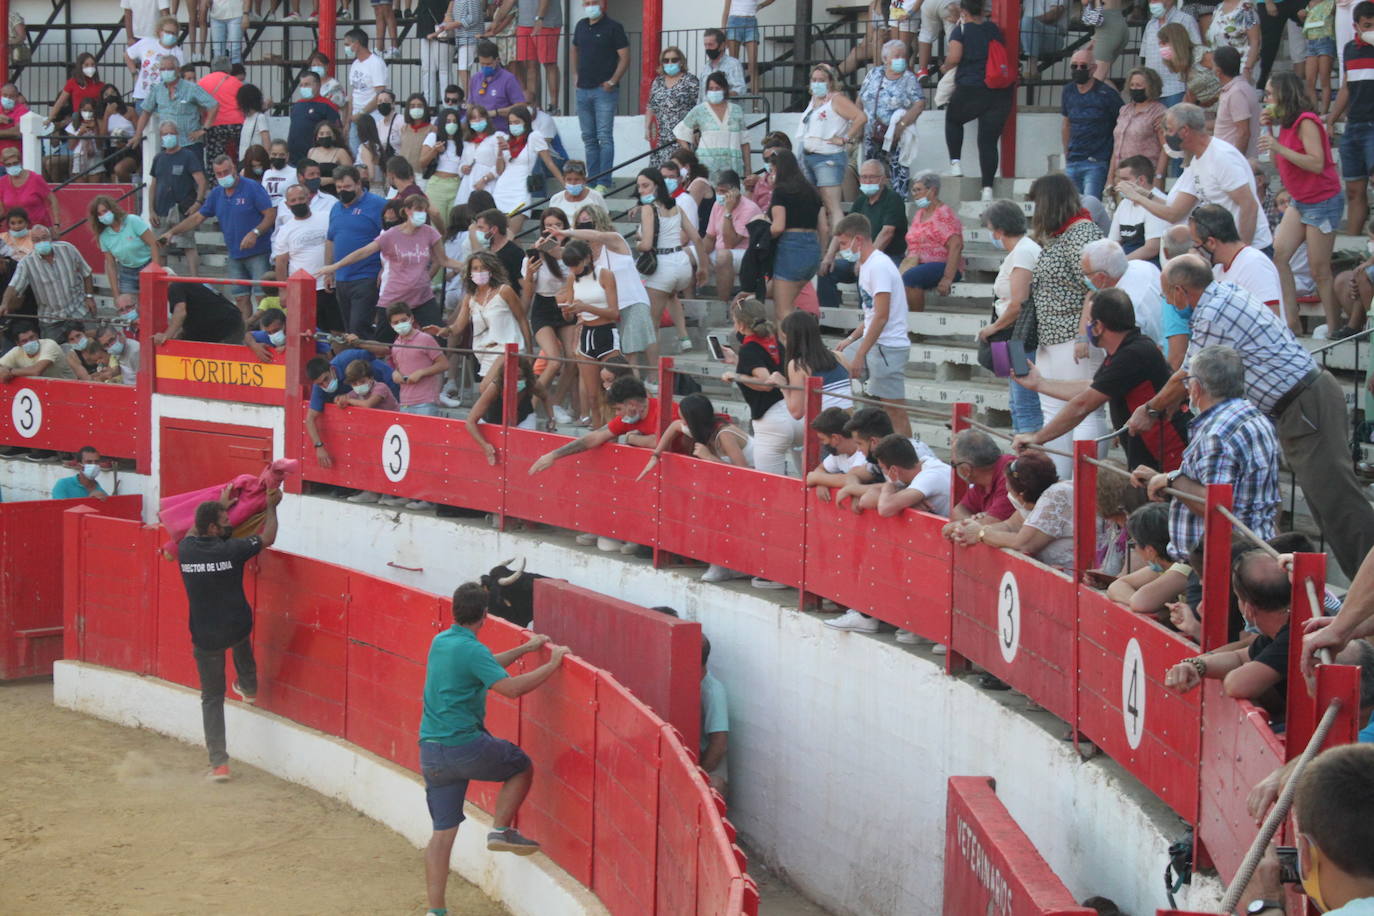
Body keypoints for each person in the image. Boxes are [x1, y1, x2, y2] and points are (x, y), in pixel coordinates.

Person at [419, 582, 568, 916]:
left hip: (431, 753)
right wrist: (552, 664)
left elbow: (483, 664)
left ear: (455, 610)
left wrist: (526, 650)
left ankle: (436, 911)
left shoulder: (440, 641)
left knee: (441, 836)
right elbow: (511, 689)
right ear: (485, 615)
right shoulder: (472, 651)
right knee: (520, 766)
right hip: (464, 746)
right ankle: (500, 829)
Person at [1132, 342, 1281, 565]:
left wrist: (1170, 480)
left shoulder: (1217, 433)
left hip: (1219, 559)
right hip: (1249, 548)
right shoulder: (1256, 418)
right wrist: (1162, 480)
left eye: (1187, 382)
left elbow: (1214, 502)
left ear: (1197, 388)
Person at [1013, 286, 1187, 470]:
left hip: (1167, 454)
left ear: (1098, 326)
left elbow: (1083, 404)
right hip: (1149, 453)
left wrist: (1038, 437)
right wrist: (1040, 384)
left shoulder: (1133, 354)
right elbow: (1094, 388)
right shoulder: (1125, 350)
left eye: (1088, 321)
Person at [177, 489, 279, 782]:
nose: (229, 523)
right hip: (235, 626)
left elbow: (195, 529)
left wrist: (220, 505)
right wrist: (272, 508)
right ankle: (248, 686)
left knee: (212, 698)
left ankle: (219, 765)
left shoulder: (186, 550)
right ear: (213, 528)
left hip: (205, 635)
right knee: (240, 637)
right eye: (224, 520)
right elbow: (268, 537)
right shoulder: (231, 550)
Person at [1114, 103, 1273, 253]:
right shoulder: (1197, 160)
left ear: (1184, 131)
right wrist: (1142, 193)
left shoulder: (1221, 157)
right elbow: (1175, 211)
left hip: (1250, 247)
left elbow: (1249, 205)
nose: (1166, 136)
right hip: (1223, 248)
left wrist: (1241, 251)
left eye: (1169, 130)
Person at [1027, 173, 1104, 477]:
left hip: (1074, 335)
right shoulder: (1060, 235)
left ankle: (1084, 482)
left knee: (1083, 408)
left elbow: (1098, 284)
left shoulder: (1083, 233)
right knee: (1054, 411)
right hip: (1052, 336)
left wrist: (1084, 332)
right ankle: (1061, 483)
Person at [1261, 72, 1344, 336]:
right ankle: (1291, 321)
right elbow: (1278, 163)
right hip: (1300, 199)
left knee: (1319, 269)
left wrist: (1279, 145)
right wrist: (1271, 131)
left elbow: (1316, 162)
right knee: (1279, 255)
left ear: (1284, 94)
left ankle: (1334, 327)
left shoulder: (1306, 121)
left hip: (1322, 199)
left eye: (1270, 94)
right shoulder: (1285, 124)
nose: (1266, 99)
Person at [1162, 550, 1291, 706]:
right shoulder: (1277, 631)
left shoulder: (1293, 634)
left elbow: (1237, 685)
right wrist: (1195, 665)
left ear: (1248, 609)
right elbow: (1239, 657)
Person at [320, 194, 464, 332]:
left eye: (424, 210)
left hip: (422, 296)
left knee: (437, 336)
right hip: (395, 297)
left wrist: (466, 266)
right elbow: (364, 252)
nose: (422, 213)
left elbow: (443, 260)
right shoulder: (391, 235)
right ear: (407, 211)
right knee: (384, 342)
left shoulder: (430, 233)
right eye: (418, 210)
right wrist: (335, 266)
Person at [163, 156, 275, 318]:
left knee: (261, 297)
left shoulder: (252, 187)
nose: (223, 176)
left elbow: (270, 215)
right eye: (219, 174)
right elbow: (197, 218)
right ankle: (245, 335)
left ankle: (264, 334)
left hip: (258, 252)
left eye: (226, 172)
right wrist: (172, 232)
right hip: (235, 254)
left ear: (234, 169)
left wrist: (255, 233)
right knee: (241, 298)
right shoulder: (216, 194)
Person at [832, 213, 911, 438]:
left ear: (858, 240)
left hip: (888, 346)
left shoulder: (878, 266)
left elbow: (881, 316)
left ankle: (906, 456)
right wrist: (850, 340)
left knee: (895, 411)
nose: (842, 249)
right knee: (833, 362)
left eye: (845, 243)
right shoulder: (867, 265)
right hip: (876, 342)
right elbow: (871, 314)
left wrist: (860, 353)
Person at [978, 199, 1043, 433]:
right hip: (1013, 335)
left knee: (1024, 402)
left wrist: (992, 328)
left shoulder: (1024, 252)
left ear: (1000, 230)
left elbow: (1018, 304)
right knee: (1016, 400)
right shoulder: (1020, 251)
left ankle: (1029, 454)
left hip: (1019, 336)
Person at [948, 451, 1076, 569]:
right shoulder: (1040, 495)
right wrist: (962, 529)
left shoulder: (1057, 495)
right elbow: (1009, 525)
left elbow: (1023, 543)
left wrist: (980, 533)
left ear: (1022, 494)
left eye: (1010, 491)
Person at [529, 374, 677, 474]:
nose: (618, 414)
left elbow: (658, 441)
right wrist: (553, 455)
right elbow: (594, 438)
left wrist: (632, 439)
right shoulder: (631, 415)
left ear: (632, 404)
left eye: (619, 409)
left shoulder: (666, 411)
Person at [941, 0, 1014, 199]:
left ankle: (955, 164)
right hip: (999, 91)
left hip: (971, 87)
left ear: (963, 11)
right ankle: (987, 189)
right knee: (988, 141)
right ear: (983, 10)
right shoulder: (994, 29)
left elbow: (955, 57)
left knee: (953, 120)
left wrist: (945, 66)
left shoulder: (961, 31)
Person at [720, 298, 800, 476]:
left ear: (740, 325)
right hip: (795, 413)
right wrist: (737, 362)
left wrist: (737, 376)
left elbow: (766, 383)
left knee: (768, 482)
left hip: (772, 420)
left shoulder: (749, 348)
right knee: (807, 480)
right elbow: (765, 369)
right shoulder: (775, 342)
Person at [636, 168, 707, 352]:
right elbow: (698, 239)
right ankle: (684, 337)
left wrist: (637, 245)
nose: (641, 190)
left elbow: (646, 244)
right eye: (639, 186)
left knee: (653, 323)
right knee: (671, 295)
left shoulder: (648, 209)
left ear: (656, 186)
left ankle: (653, 370)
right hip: (682, 265)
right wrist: (703, 267)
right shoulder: (677, 207)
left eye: (645, 185)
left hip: (662, 266)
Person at [818, 159, 905, 310]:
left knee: (867, 271)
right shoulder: (861, 201)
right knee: (826, 270)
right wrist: (829, 255)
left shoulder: (893, 199)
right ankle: (830, 321)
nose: (867, 181)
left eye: (872, 177)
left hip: (887, 257)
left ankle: (863, 321)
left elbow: (887, 233)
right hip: (859, 257)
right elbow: (844, 230)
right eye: (864, 177)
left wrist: (867, 259)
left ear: (883, 179)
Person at [304, 349, 398, 479]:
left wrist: (358, 343)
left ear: (332, 369)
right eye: (320, 384)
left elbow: (381, 350)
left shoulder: (349, 357)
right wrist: (319, 446)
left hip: (390, 384)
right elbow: (309, 419)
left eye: (326, 379)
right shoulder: (320, 389)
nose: (325, 385)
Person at [796, 63, 865, 231]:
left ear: (830, 82)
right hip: (809, 156)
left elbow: (860, 117)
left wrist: (845, 138)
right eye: (814, 80)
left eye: (822, 80)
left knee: (832, 205)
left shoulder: (837, 99)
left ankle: (838, 246)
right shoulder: (814, 101)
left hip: (827, 157)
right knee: (816, 206)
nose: (817, 83)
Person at [569, 2, 630, 192]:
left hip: (604, 91)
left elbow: (625, 56)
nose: (590, 6)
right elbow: (574, 49)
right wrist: (575, 75)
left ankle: (604, 181)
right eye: (586, 2)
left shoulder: (614, 27)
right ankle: (593, 179)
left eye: (593, 2)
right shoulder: (580, 25)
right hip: (583, 89)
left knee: (604, 136)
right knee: (589, 137)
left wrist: (613, 81)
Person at [1190, 203, 1284, 323]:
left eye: (1195, 243)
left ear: (1211, 242)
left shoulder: (1254, 263)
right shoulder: (1217, 270)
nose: (1193, 250)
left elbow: (1271, 320)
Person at [857, 40, 924, 199]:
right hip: (872, 132)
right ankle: (872, 201)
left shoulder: (909, 78)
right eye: (896, 56)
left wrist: (902, 124)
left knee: (898, 170)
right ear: (886, 58)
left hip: (897, 134)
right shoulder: (874, 73)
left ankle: (899, 204)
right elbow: (860, 98)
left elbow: (919, 103)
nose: (901, 59)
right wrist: (858, 124)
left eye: (903, 56)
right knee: (871, 170)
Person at [326, 166, 386, 337]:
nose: (342, 191)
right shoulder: (336, 208)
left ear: (359, 184)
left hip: (367, 276)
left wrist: (385, 268)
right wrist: (329, 270)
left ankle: (366, 362)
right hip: (342, 279)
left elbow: (391, 237)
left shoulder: (378, 205)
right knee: (349, 329)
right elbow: (330, 239)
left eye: (347, 187)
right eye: (339, 188)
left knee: (359, 328)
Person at [767, 149, 828, 319]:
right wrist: (821, 255)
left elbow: (778, 226)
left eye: (772, 170)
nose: (771, 175)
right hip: (812, 250)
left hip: (790, 248)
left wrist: (762, 234)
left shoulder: (781, 191)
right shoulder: (812, 191)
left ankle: (787, 345)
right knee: (792, 304)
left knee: (783, 311)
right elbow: (824, 228)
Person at [1330, 2, 1374, 235]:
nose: (1371, 29)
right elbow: (1346, 87)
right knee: (1354, 190)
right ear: (1355, 26)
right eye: (1367, 25)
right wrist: (1330, 119)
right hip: (1353, 125)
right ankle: (1353, 241)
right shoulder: (1349, 49)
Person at [0, 226, 96, 331]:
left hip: (79, 310)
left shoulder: (67, 248)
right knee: (50, 347)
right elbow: (13, 286)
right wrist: (4, 304)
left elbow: (86, 272)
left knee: (93, 339)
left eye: (44, 238)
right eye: (37, 240)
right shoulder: (26, 263)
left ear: (50, 238)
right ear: (32, 242)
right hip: (50, 319)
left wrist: (89, 297)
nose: (41, 242)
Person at [271, 184, 338, 329]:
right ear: (287, 205)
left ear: (308, 199)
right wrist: (283, 291)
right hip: (302, 289)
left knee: (337, 330)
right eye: (293, 200)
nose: (297, 203)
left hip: (330, 284)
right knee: (307, 330)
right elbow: (281, 262)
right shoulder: (285, 230)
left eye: (301, 198)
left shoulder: (327, 217)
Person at [1062, 47, 1125, 200]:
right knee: (1070, 208)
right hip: (1073, 160)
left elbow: (1122, 121)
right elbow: (1066, 124)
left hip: (1097, 161)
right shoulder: (1068, 91)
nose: (1078, 69)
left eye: (1083, 66)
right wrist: (1067, 153)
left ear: (1093, 68)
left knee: (1091, 207)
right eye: (1074, 66)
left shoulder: (1107, 94)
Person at [1082, 237, 1167, 346]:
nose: (1085, 279)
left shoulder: (1123, 308)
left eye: (1086, 274)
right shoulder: (1143, 265)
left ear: (1101, 277)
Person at [133, 55, 218, 161]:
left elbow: (213, 105)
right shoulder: (157, 89)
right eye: (163, 69)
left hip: (190, 144)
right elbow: (146, 112)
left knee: (195, 175)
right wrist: (137, 134)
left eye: (169, 69)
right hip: (168, 144)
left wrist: (204, 129)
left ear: (178, 70)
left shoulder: (191, 88)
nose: (166, 72)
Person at [492, 106, 562, 235]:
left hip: (521, 191)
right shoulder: (507, 140)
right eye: (511, 123)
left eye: (517, 122)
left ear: (526, 122)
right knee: (503, 236)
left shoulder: (534, 136)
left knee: (511, 234)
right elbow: (500, 171)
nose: (513, 126)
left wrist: (564, 184)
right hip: (502, 190)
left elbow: (549, 163)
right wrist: (500, 153)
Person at [901, 170, 963, 313]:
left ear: (932, 190)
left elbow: (956, 245)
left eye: (918, 190)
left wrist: (947, 278)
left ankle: (916, 325)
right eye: (913, 190)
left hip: (941, 264)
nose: (915, 194)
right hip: (916, 262)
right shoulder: (920, 213)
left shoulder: (944, 214)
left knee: (911, 278)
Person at [672, 72, 750, 177]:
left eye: (717, 88)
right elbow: (681, 132)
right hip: (707, 167)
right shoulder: (700, 110)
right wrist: (690, 155)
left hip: (733, 167)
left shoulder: (737, 110)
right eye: (711, 88)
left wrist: (748, 169)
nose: (714, 91)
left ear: (725, 89)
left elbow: (744, 141)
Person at [382, 302, 449, 420]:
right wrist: (395, 374)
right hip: (405, 402)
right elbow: (398, 367)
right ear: (391, 325)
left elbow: (444, 364)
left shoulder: (425, 339)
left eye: (403, 320)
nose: (400, 324)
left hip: (426, 401)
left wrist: (421, 372)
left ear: (411, 318)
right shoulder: (396, 344)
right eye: (396, 322)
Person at [702, 170, 762, 301]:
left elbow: (730, 244)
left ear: (735, 191)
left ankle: (722, 305)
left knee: (723, 255)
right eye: (718, 191)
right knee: (688, 254)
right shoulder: (717, 204)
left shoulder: (749, 208)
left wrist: (728, 211)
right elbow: (709, 237)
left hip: (744, 254)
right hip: (720, 251)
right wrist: (701, 256)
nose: (720, 195)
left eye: (723, 191)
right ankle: (690, 302)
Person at [943, 428, 1016, 528]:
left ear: (966, 470)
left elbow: (991, 524)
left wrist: (973, 524)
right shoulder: (983, 480)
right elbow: (957, 511)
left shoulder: (1011, 476)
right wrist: (973, 521)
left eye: (953, 464)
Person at [90, 196, 158, 302]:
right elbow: (111, 265)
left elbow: (153, 243)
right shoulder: (103, 236)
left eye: (105, 211)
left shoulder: (132, 220)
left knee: (151, 303)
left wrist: (155, 269)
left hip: (147, 266)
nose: (103, 216)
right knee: (128, 307)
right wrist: (116, 294)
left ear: (112, 209)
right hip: (126, 272)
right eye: (99, 214)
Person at [1108, 156, 1168, 261]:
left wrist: (1121, 263)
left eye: (1125, 179)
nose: (1119, 184)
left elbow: (1152, 248)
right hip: (1126, 261)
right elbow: (1113, 242)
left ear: (1141, 180)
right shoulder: (1124, 204)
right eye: (1118, 179)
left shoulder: (1156, 203)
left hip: (1150, 264)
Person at [1142, 0, 1201, 105]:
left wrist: (1191, 91)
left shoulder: (1186, 20)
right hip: (1153, 92)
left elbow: (1197, 56)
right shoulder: (1150, 25)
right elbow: (1146, 58)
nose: (1152, 2)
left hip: (1177, 90)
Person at [341, 29, 388, 154]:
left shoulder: (376, 63)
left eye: (347, 44)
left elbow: (380, 94)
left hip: (373, 116)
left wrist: (362, 113)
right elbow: (354, 94)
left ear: (356, 44)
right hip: (356, 117)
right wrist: (348, 121)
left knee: (374, 152)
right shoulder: (355, 63)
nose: (345, 48)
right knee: (356, 152)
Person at [156, 281, 247, 344]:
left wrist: (166, 336)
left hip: (226, 327)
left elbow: (180, 312)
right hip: (231, 321)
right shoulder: (191, 287)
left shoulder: (175, 287)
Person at [466, 41, 527, 133]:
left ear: (497, 60)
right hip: (479, 133)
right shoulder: (475, 79)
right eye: (482, 64)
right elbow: (470, 104)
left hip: (501, 132)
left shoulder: (508, 79)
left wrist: (496, 112)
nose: (485, 67)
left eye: (489, 64)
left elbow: (521, 106)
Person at [1212, 46, 1260, 160]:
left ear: (1218, 71)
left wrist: (1236, 162)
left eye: (1213, 65)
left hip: (1232, 161)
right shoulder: (1237, 88)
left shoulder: (1236, 93)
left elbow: (1243, 133)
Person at [125, 16, 183, 110]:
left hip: (165, 100)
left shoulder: (178, 53)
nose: (171, 35)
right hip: (143, 96)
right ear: (159, 31)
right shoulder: (146, 43)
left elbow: (181, 75)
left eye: (174, 33)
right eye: (168, 32)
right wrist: (134, 73)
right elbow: (128, 55)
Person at [197, 59, 245, 165]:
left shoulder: (202, 82)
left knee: (215, 159)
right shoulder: (236, 82)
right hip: (236, 123)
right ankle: (238, 175)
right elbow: (243, 103)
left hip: (214, 124)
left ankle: (215, 179)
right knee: (239, 156)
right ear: (229, 68)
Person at [288, 71, 342, 163]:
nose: (303, 88)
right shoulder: (297, 105)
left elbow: (337, 131)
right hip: (294, 157)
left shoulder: (327, 105)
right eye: (301, 85)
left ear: (318, 85)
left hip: (316, 157)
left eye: (307, 84)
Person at [0, 146, 58, 227]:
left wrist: (56, 224)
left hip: (39, 229)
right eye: (8, 165)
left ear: (20, 161)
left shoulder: (35, 179)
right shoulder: (2, 183)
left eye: (15, 163)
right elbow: (2, 210)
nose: (12, 166)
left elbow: (53, 200)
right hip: (15, 230)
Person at [48, 53, 106, 129]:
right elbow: (60, 102)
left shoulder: (101, 85)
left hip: (95, 119)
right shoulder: (72, 82)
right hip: (78, 119)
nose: (90, 67)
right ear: (80, 66)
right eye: (86, 65)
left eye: (92, 65)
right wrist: (49, 119)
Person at [0, 321, 73, 381]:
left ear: (37, 335)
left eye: (32, 337)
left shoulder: (49, 344)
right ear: (18, 343)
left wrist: (10, 371)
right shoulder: (16, 351)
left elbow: (36, 371)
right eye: (24, 341)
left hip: (68, 389)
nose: (30, 342)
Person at [308, 123, 353, 196]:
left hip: (334, 193)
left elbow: (351, 175)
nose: (325, 136)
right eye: (321, 134)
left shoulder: (341, 152)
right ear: (317, 137)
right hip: (315, 193)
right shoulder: (311, 151)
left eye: (328, 133)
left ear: (334, 136)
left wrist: (329, 180)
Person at [96, 320, 141, 384]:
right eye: (106, 345)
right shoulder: (117, 351)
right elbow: (126, 369)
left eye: (111, 340)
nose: (111, 346)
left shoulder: (135, 351)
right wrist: (112, 373)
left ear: (119, 334)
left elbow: (145, 380)